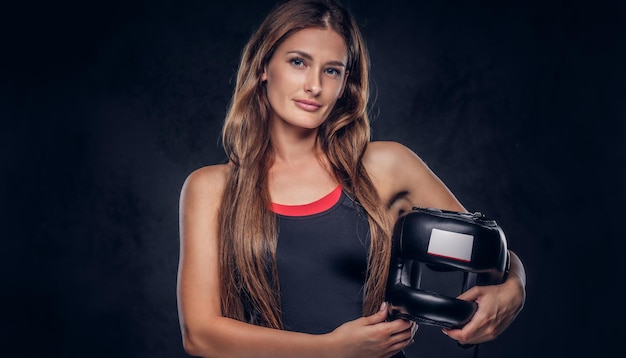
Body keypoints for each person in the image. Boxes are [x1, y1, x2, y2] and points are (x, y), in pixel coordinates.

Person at [176, 0, 526, 357]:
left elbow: (490, 252)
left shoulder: (386, 166)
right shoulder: (211, 189)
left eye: (332, 71)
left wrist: (514, 288)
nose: (314, 85)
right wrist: (330, 349)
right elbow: (200, 334)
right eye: (298, 62)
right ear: (264, 66)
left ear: (345, 84)